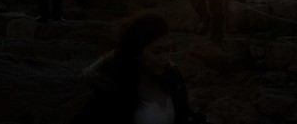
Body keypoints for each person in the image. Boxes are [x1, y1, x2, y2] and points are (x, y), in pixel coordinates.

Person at [72, 12, 205, 124]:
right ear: (136, 53)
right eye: (157, 52)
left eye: (168, 50)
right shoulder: (114, 89)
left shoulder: (173, 77)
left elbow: (184, 113)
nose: (164, 58)